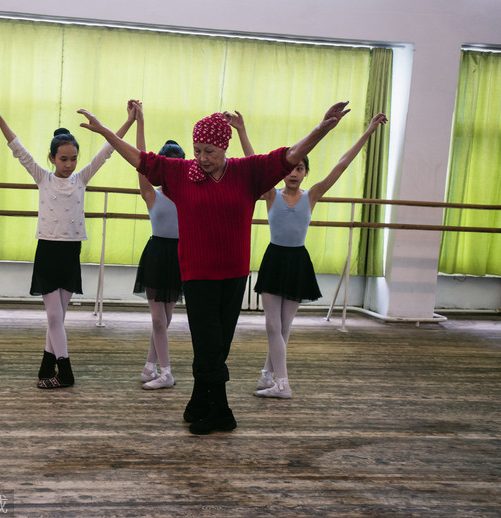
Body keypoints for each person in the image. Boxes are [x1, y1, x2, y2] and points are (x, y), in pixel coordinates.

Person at [78, 101, 351, 434]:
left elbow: (290, 156)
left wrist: (322, 128)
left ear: (224, 146)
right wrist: (106, 130)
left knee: (217, 346)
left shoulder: (247, 172)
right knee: (207, 344)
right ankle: (222, 411)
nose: (202, 158)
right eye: (197, 150)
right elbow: (140, 159)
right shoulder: (181, 174)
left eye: (208, 151)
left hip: (234, 275)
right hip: (197, 275)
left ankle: (198, 400)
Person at [0, 100, 138, 389]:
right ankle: (65, 372)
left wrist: (129, 120)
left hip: (71, 251)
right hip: (48, 250)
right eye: (63, 159)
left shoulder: (82, 179)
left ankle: (47, 365)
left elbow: (109, 150)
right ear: (52, 158)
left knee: (58, 318)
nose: (69, 165)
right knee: (55, 316)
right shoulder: (42, 177)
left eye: (73, 158)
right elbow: (16, 146)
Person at [253, 112, 388, 399]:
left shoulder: (311, 195)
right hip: (274, 259)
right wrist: (241, 130)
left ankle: (281, 383)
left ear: (305, 173)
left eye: (300, 169)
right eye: (291, 168)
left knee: (283, 326)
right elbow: (254, 167)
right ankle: (269, 375)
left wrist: (368, 131)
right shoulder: (271, 194)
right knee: (273, 324)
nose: (293, 173)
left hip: (297, 261)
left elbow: (342, 164)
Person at [133, 106, 255, 391]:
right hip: (158, 255)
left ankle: (151, 364)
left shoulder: (190, 187)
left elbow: (251, 174)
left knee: (166, 319)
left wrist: (241, 131)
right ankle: (165, 370)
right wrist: (140, 122)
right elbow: (141, 160)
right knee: (157, 318)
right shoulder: (152, 193)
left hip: (185, 256)